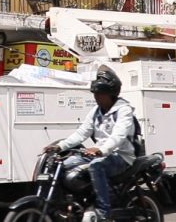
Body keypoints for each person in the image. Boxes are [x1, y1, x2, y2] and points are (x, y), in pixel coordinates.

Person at [43, 65, 136, 222]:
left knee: (96, 166)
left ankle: (103, 211)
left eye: (100, 94)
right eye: (95, 93)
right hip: (98, 153)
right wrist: (60, 146)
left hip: (120, 156)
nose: (96, 97)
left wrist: (101, 150)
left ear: (111, 94)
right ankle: (69, 203)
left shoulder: (124, 110)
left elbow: (118, 136)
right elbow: (81, 133)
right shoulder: (95, 111)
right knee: (63, 164)